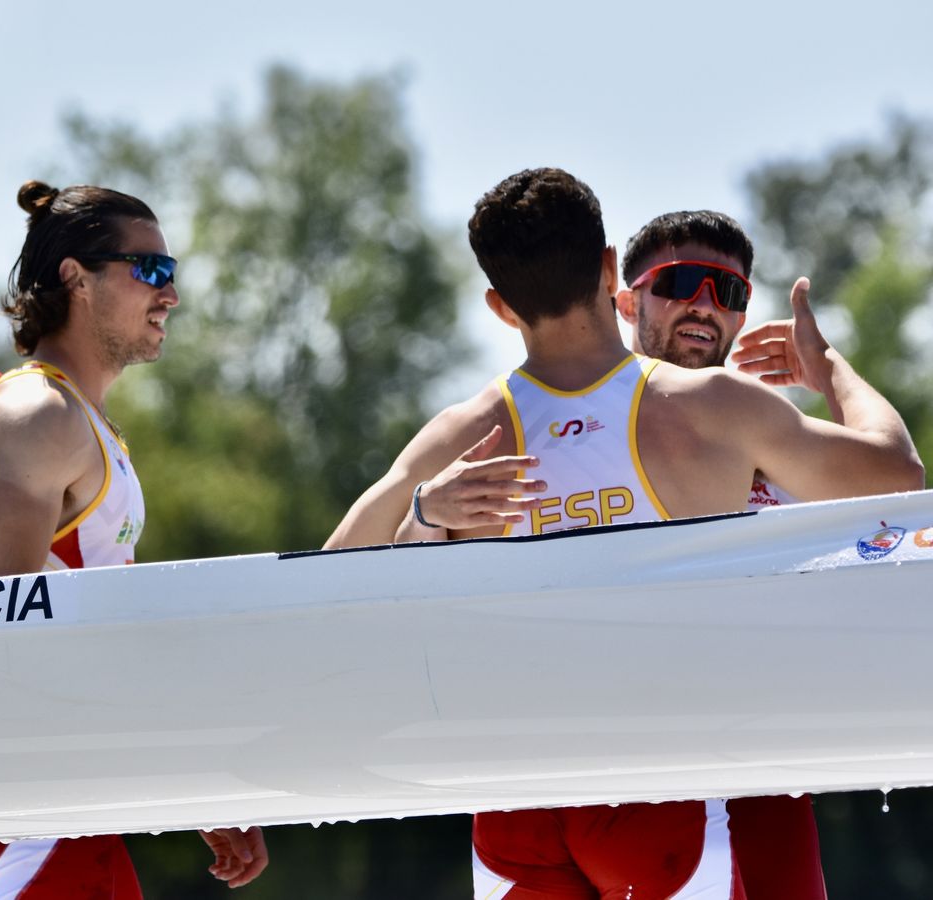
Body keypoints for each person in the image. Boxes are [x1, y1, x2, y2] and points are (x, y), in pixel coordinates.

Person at [327, 168, 922, 898]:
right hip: (667, 774)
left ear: (497, 304)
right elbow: (899, 476)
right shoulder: (710, 408)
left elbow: (328, 583)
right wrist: (828, 366)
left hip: (518, 800)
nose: (706, 306)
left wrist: (423, 514)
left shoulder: (464, 433)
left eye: (727, 292)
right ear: (615, 276)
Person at [0, 180, 269, 898]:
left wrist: (189, 782)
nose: (172, 295)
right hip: (34, 802)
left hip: (65, 788)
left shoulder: (79, 418)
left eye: (172, 273)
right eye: (151, 272)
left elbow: (98, 637)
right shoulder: (35, 413)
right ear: (76, 279)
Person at [617, 209, 875, 898]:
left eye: (726, 291)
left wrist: (829, 373)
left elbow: (895, 489)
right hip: (621, 773)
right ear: (625, 300)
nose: (704, 304)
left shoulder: (769, 437)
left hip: (765, 780)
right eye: (680, 282)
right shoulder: (569, 422)